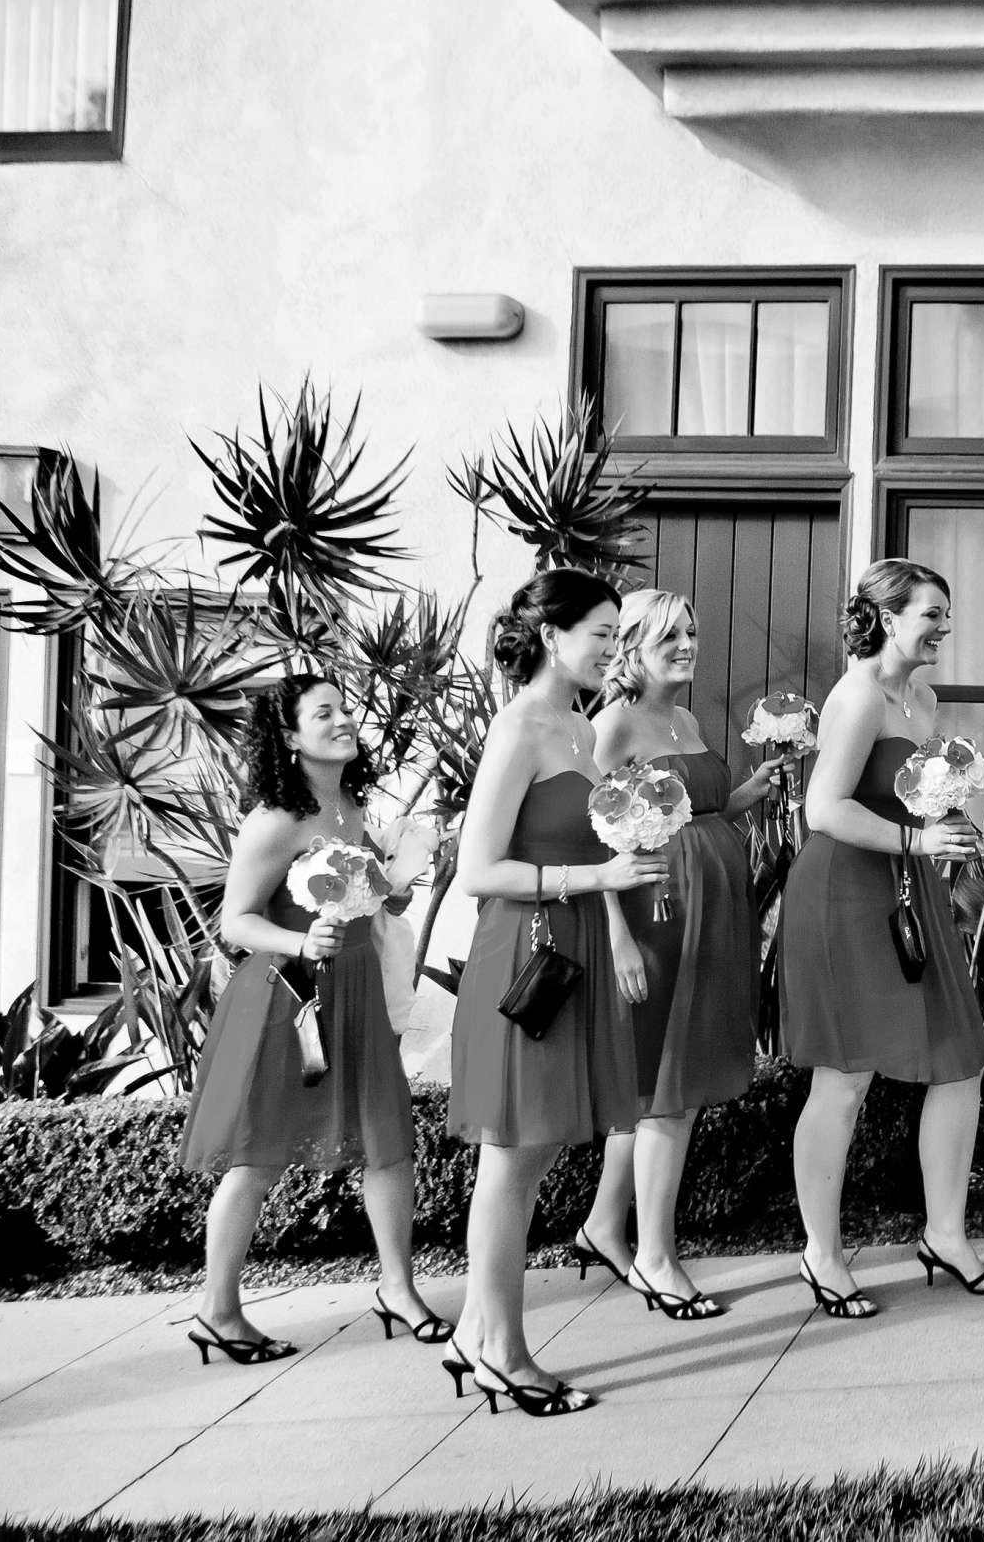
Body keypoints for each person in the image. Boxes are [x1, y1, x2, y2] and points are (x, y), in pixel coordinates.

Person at [445, 569, 664, 1416]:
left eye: (617, 633)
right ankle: (501, 1348)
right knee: (510, 1154)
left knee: (532, 1154)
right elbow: (476, 869)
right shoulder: (520, 728)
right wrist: (594, 875)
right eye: (602, 634)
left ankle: (476, 1332)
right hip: (522, 955)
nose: (614, 648)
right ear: (550, 636)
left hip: (569, 947)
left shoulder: (578, 724)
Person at [178, 672, 440, 1364]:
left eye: (345, 706)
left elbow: (360, 897)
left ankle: (398, 1288)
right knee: (258, 1155)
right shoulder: (275, 818)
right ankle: (218, 1311)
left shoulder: (350, 804)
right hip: (285, 1000)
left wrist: (391, 895)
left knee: (388, 1139)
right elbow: (235, 919)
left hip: (352, 990)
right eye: (325, 712)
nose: (344, 718)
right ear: (290, 736)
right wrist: (301, 941)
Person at [775, 558, 984, 1318]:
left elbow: (910, 801)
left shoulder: (923, 697)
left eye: (946, 613)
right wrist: (916, 845)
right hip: (844, 894)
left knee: (959, 1062)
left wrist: (945, 828)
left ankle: (946, 1233)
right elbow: (824, 808)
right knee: (843, 1081)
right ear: (887, 617)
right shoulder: (856, 697)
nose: (943, 626)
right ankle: (820, 1252)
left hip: (908, 892)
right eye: (931, 614)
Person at [573, 588, 787, 1320]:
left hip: (710, 913)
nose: (688, 645)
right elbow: (585, 835)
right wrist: (616, 934)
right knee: (669, 1087)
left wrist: (747, 793)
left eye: (692, 632)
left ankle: (603, 1224)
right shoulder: (613, 725)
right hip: (653, 918)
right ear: (631, 645)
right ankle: (656, 1257)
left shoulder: (686, 718)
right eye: (670, 636)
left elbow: (696, 811)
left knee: (664, 1087)